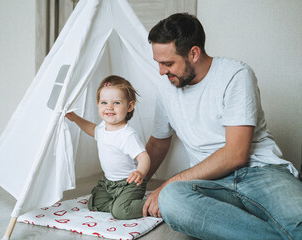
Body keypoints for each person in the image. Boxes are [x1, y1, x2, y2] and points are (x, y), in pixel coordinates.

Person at [142, 13, 302, 239]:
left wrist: (170, 181)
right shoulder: (167, 86)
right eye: (158, 63)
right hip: (209, 183)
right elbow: (158, 143)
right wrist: (132, 185)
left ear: (194, 53)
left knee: (298, 221)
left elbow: (236, 154)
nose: (161, 71)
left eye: (168, 63)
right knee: (171, 199)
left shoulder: (235, 74)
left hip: (259, 172)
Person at [66, 75, 150, 220]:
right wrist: (75, 118)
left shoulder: (127, 135)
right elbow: (91, 129)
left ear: (129, 106)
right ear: (98, 104)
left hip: (129, 183)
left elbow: (144, 157)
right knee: (93, 203)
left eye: (116, 103)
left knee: (120, 212)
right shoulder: (102, 128)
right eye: (104, 102)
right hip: (108, 182)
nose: (109, 107)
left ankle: (151, 205)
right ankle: (118, 205)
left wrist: (140, 172)